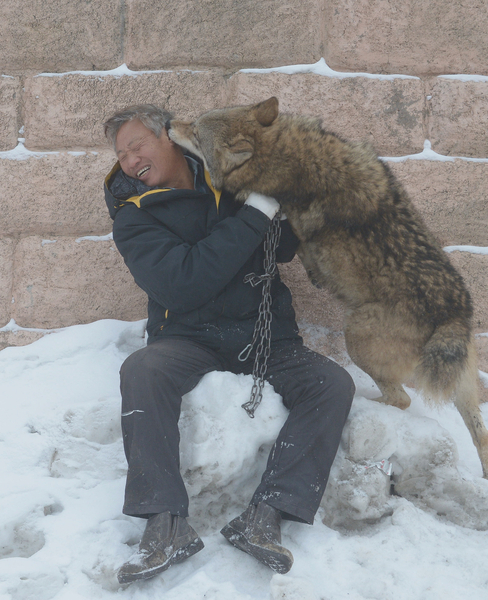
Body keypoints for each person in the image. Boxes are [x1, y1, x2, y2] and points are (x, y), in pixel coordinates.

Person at [102, 104, 355, 584]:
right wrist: (256, 210)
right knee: (142, 371)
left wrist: (283, 190)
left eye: (137, 146)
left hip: (265, 335)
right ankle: (164, 524)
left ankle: (266, 516)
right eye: (122, 155)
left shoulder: (231, 180)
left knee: (331, 384)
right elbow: (184, 285)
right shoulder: (134, 217)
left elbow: (282, 248)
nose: (131, 161)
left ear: (170, 137)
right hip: (187, 338)